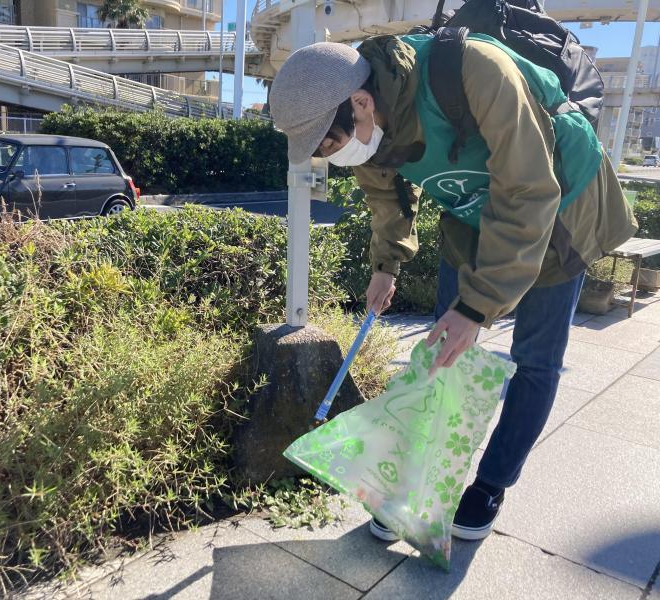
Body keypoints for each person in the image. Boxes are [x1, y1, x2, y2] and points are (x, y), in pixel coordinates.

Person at [268, 35, 637, 541]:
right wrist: (387, 264)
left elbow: (530, 189)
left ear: (360, 102)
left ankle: (490, 484)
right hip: (475, 210)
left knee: (535, 359)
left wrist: (477, 307)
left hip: (562, 205)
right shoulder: (368, 131)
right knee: (442, 354)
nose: (333, 157)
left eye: (330, 143)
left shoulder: (475, 72)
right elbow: (386, 198)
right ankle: (410, 483)